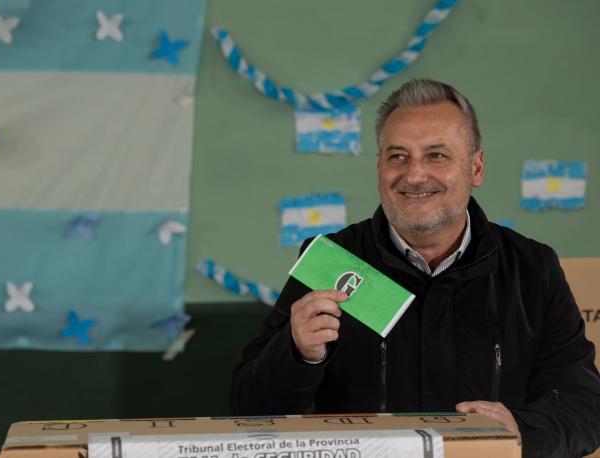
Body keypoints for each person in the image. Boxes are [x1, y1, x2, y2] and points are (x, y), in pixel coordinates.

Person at [230, 79, 600, 457]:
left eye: (436, 155)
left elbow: (585, 408)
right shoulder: (331, 261)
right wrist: (296, 354)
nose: (414, 175)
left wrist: (522, 430)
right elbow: (247, 411)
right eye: (398, 156)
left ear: (476, 167)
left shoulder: (533, 269)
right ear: (379, 167)